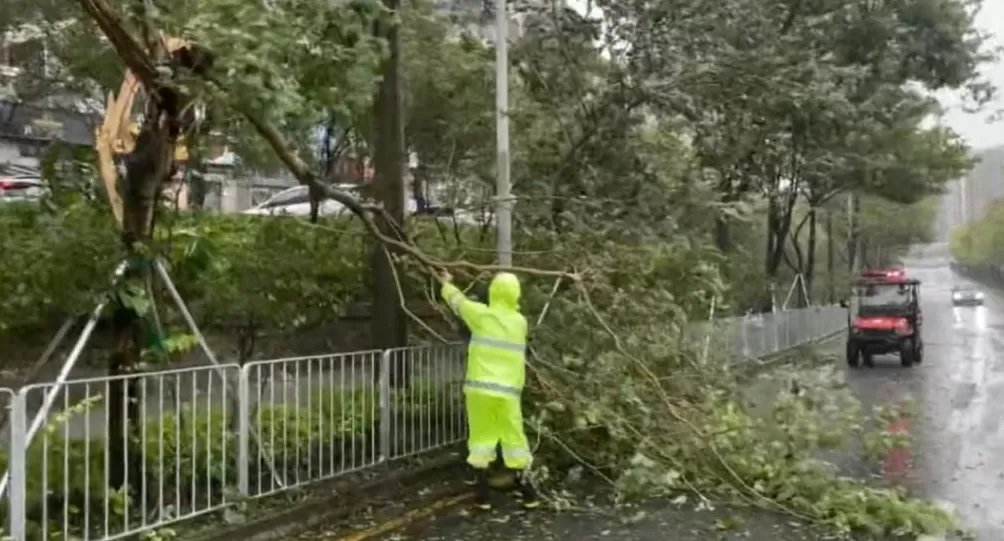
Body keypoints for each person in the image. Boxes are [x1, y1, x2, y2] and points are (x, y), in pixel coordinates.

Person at [440, 269, 540, 510]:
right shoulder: (520, 323)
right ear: (516, 294)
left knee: (481, 439)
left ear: (493, 292)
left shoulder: (482, 316)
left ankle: (483, 497)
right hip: (507, 393)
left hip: (480, 390)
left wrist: (446, 283)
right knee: (514, 439)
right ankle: (529, 494)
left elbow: (458, 302)